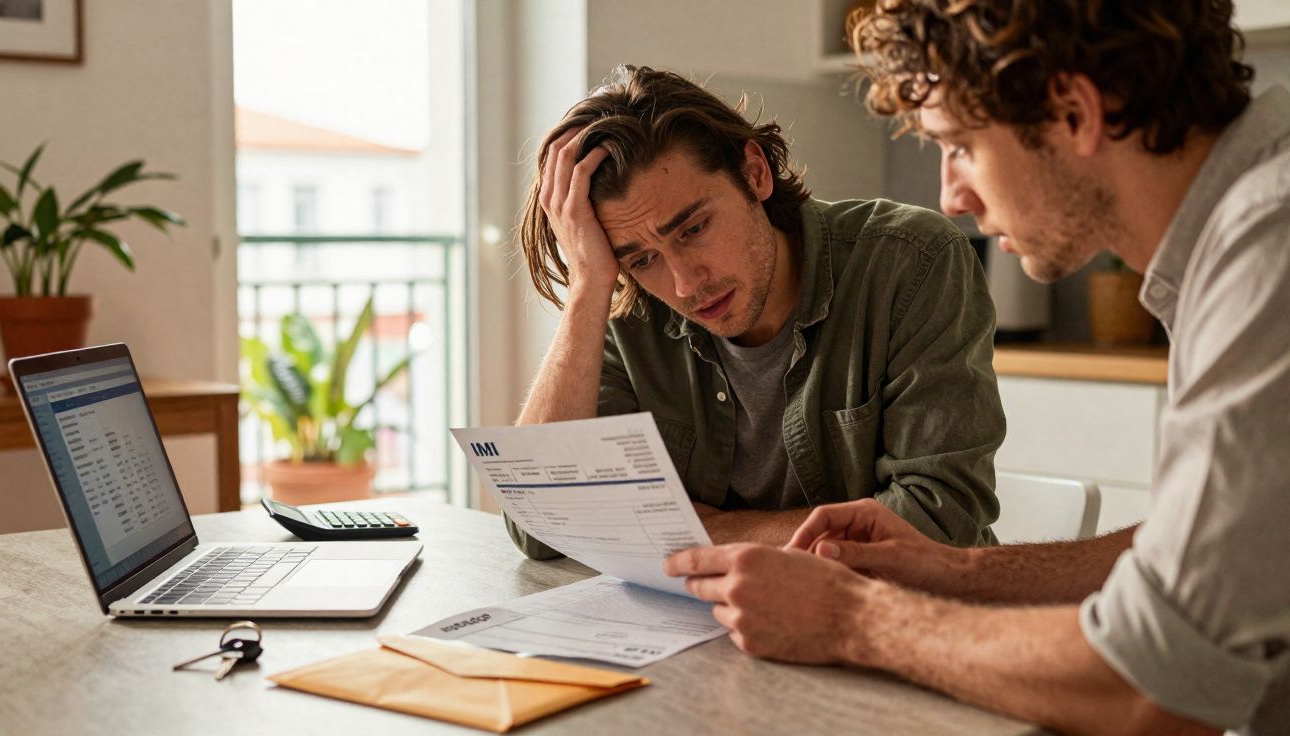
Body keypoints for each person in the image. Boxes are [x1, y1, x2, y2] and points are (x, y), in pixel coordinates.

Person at [665, 2, 1290, 735]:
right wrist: (954, 572)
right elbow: (1206, 561)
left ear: (1073, 112)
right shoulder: (1234, 236)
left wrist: (849, 618)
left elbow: (1148, 684)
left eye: (959, 145)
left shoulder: (1266, 257)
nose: (950, 196)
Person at [509, 65, 1006, 560]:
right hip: (706, 627)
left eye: (693, 229)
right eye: (642, 258)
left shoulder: (910, 260)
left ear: (755, 172)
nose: (685, 283)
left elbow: (942, 523)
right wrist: (587, 288)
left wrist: (715, 532)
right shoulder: (633, 306)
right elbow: (541, 530)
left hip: (901, 617)